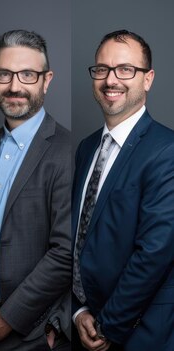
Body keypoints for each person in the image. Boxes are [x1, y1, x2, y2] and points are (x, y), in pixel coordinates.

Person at [0, 29, 72, 350]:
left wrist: (9, 319)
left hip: (32, 331)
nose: (14, 87)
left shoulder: (67, 151)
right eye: (5, 75)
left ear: (46, 80)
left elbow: (65, 253)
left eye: (27, 74)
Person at [73, 30, 174, 351]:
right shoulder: (86, 148)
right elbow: (76, 239)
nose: (110, 80)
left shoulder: (167, 150)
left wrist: (108, 325)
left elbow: (155, 253)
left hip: (138, 332)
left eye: (125, 70)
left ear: (148, 79)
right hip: (83, 323)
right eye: (102, 69)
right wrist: (77, 311)